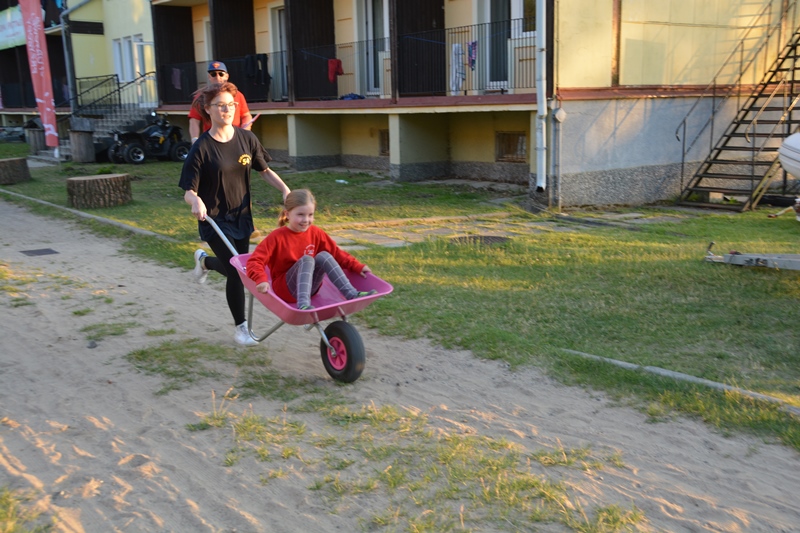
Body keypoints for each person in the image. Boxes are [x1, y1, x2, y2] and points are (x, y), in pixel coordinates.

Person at [179, 81, 290, 347]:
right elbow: (188, 190)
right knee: (238, 271)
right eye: (220, 105)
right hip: (214, 219)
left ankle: (205, 262)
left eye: (231, 104)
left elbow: (264, 171)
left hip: (242, 216)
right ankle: (241, 328)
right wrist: (195, 200)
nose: (227, 109)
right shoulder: (201, 148)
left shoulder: (247, 139)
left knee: (239, 268)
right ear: (208, 109)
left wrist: (286, 190)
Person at [246, 189, 377, 310]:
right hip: (285, 289)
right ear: (287, 214)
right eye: (300, 214)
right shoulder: (277, 237)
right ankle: (303, 305)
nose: (306, 220)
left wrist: (356, 266)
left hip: (310, 288)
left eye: (310, 215)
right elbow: (254, 261)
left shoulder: (315, 233)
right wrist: (260, 279)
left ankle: (351, 293)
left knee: (324, 255)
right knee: (307, 260)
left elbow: (336, 253)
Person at [188, 61, 254, 144]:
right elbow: (194, 120)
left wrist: (245, 130)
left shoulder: (237, 95)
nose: (217, 77)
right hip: (212, 140)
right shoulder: (202, 96)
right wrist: (194, 139)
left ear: (227, 76)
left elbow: (246, 115)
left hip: (235, 139)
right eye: (213, 74)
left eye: (221, 74)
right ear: (209, 77)